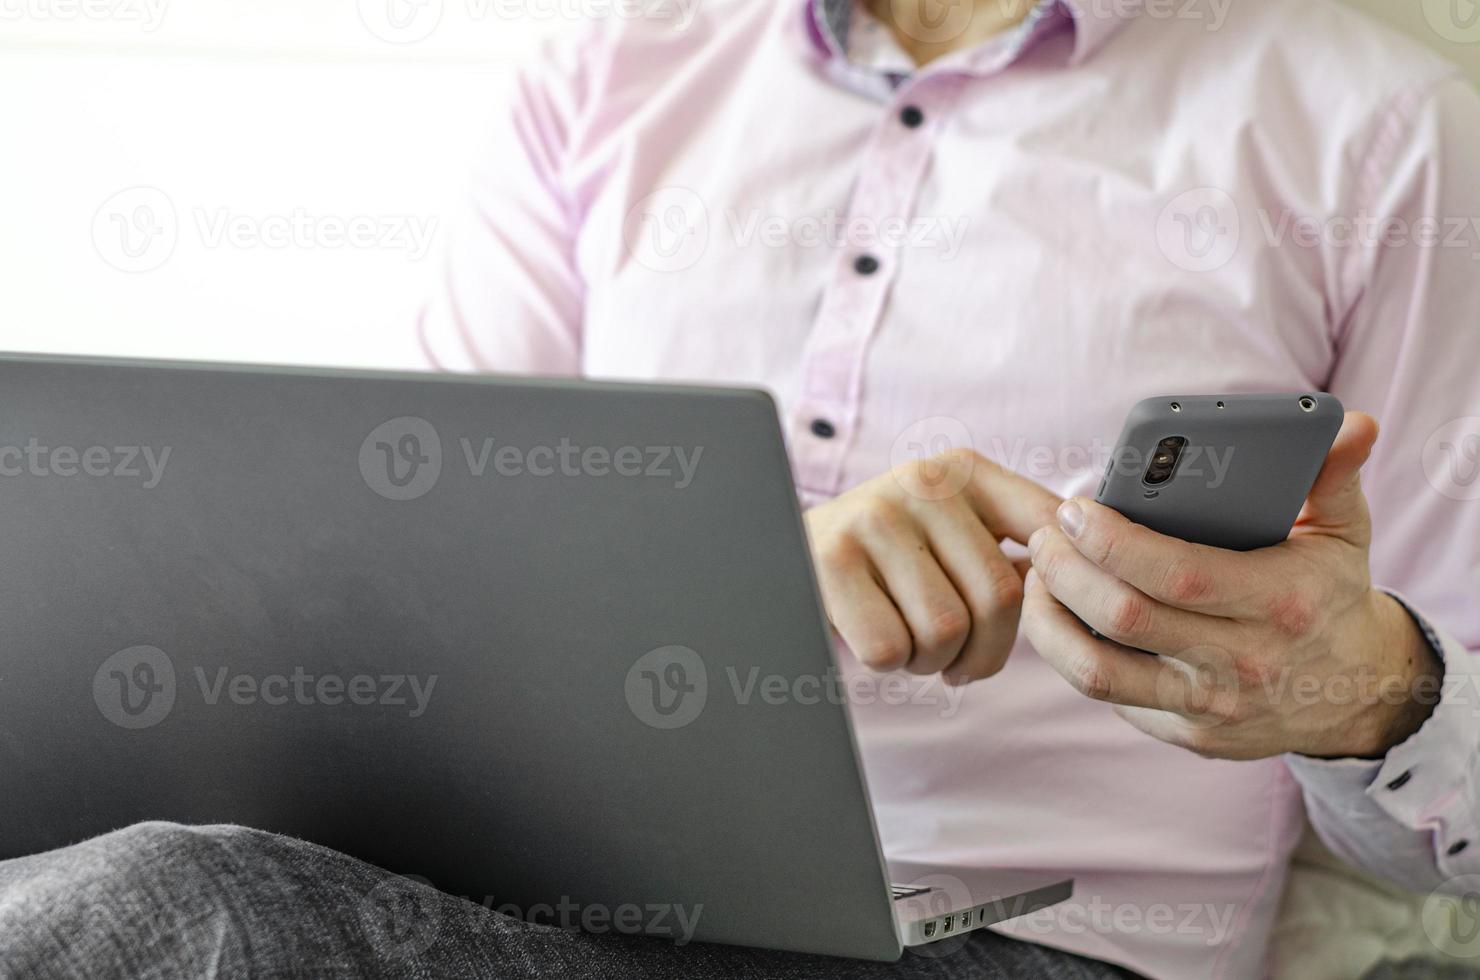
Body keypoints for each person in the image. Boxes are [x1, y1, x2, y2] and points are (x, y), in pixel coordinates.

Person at [4, 0, 1480, 977]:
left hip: (1042, 944)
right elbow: (404, 560)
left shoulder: (1379, 129)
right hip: (537, 893)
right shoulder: (615, 64)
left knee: (166, 913)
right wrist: (749, 569)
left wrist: (1364, 695)